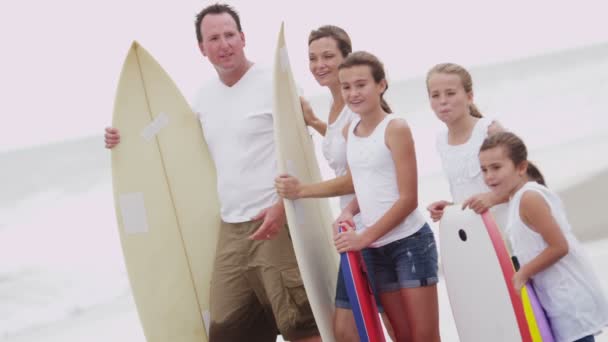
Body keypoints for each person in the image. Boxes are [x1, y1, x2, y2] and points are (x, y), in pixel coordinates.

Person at [105, 4, 320, 342]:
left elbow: (303, 151)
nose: (224, 44)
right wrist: (124, 140)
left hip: (274, 219)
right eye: (214, 38)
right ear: (202, 49)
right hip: (232, 229)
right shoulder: (204, 97)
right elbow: (173, 151)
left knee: (300, 323)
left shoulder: (275, 83)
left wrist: (283, 207)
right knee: (226, 331)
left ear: (243, 37)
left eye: (230, 35)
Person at [274, 25, 394, 341]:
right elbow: (345, 148)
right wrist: (313, 120)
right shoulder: (337, 107)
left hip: (377, 229)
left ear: (346, 57)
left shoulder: (356, 109)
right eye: (313, 58)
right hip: (352, 231)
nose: (319, 65)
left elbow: (359, 178)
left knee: (390, 326)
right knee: (346, 331)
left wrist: (302, 191)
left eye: (328, 56)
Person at [333, 51, 440, 342]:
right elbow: (368, 183)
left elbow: (408, 200)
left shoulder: (396, 128)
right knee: (402, 337)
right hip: (374, 250)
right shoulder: (349, 132)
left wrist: (362, 238)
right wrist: (349, 212)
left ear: (381, 85)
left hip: (410, 244)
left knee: (425, 337)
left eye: (361, 84)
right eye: (346, 87)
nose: (353, 93)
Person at [478, 131, 608, 342]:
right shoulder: (518, 197)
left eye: (496, 167)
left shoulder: (529, 198)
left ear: (521, 167)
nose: (489, 176)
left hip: (570, 300)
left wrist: (522, 273)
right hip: (558, 299)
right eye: (484, 170)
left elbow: (559, 246)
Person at [424, 63, 508, 227]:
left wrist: (492, 198)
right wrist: (452, 209)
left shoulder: (489, 131)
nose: (443, 101)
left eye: (450, 93)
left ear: (469, 96)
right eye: (435, 95)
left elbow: (522, 180)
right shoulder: (441, 141)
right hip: (474, 233)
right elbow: (468, 191)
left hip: (505, 229)